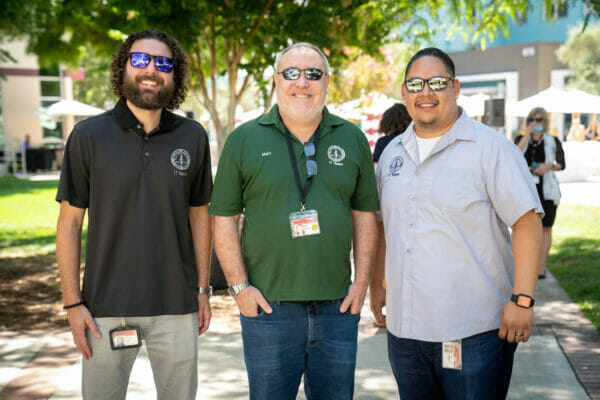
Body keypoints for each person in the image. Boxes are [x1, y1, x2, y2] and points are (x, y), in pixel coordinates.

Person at [370, 47, 544, 400]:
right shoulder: (391, 154)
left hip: (473, 333)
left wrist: (523, 300)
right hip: (406, 335)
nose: (426, 92)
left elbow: (527, 221)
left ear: (455, 87)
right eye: (416, 84)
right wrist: (377, 287)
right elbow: (384, 227)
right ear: (404, 93)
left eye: (436, 82)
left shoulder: (490, 148)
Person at [210, 42, 379, 399]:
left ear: (327, 82)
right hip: (269, 311)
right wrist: (240, 289)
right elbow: (223, 219)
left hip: (337, 309)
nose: (302, 82)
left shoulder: (352, 138)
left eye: (313, 73)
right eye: (292, 73)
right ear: (276, 80)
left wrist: (361, 283)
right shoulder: (243, 139)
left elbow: (365, 216)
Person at [55, 30, 213, 400]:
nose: (151, 69)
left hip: (176, 305)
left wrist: (203, 290)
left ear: (174, 75)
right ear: (123, 67)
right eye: (140, 59)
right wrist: (73, 304)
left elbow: (200, 216)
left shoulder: (192, 136)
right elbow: (69, 224)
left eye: (163, 63)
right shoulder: (87, 136)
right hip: (105, 307)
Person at [514, 107, 565, 279]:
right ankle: (524, 266)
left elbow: (561, 164)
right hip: (526, 189)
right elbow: (513, 156)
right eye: (531, 120)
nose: (535, 123)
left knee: (545, 229)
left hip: (547, 190)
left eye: (538, 120)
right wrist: (527, 134)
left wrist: (548, 166)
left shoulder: (552, 140)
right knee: (524, 228)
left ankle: (541, 268)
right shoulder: (521, 139)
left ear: (545, 122)